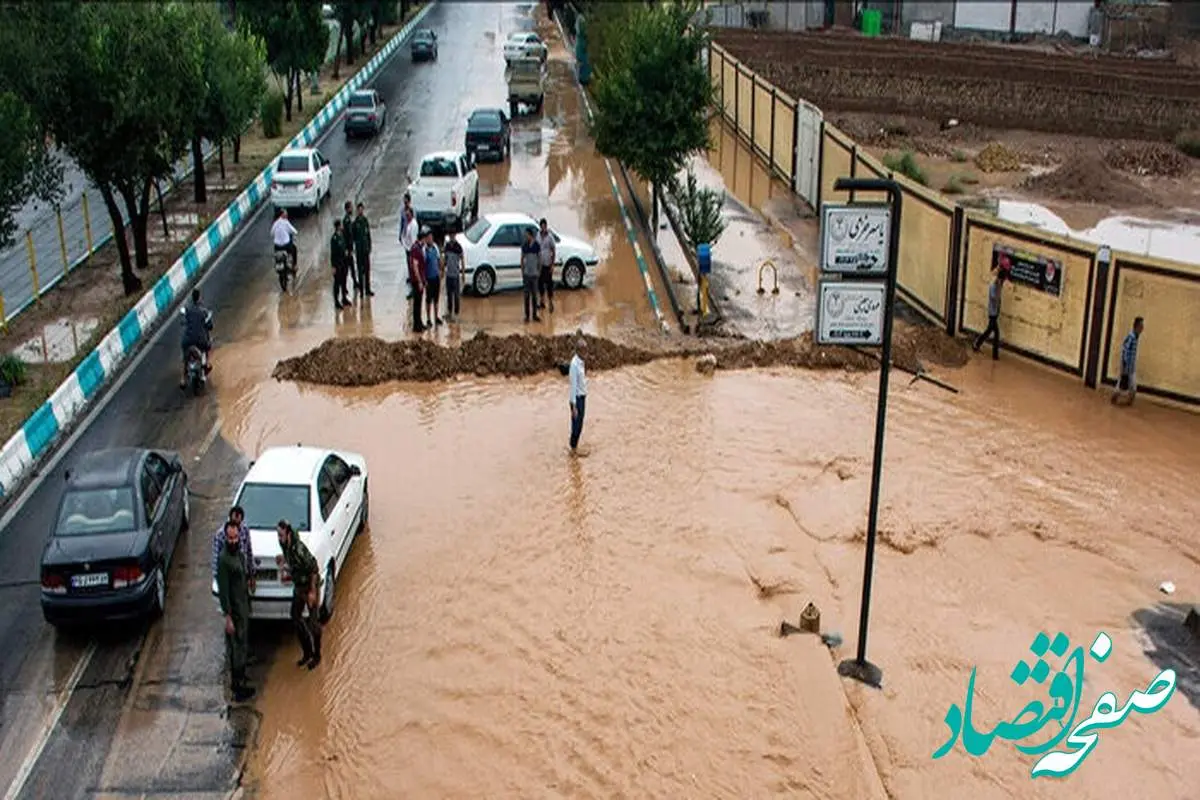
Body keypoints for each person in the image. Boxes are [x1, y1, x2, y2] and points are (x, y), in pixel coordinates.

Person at [216, 520, 256, 702]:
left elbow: (243, 576)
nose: (233, 541)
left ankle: (241, 678)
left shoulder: (238, 554)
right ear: (226, 538)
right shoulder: (224, 560)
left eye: (235, 537)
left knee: (243, 643)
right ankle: (237, 686)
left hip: (243, 606)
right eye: (230, 538)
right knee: (237, 647)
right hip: (235, 611)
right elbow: (223, 591)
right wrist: (228, 617)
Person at [277, 519, 323, 669]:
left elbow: (314, 569)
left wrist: (312, 592)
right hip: (299, 585)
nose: (279, 538)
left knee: (313, 623)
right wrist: (284, 561)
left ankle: (317, 655)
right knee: (295, 616)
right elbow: (292, 561)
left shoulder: (299, 549)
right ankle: (307, 651)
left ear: (289, 534)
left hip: (310, 584)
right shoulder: (285, 545)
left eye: (281, 535)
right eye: (278, 535)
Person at [210, 505, 254, 594]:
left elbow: (249, 552)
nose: (236, 526)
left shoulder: (245, 530)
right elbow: (216, 561)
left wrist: (251, 575)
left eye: (238, 523)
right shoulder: (220, 535)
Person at [179, 289, 213, 389]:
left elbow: (183, 319)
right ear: (199, 298)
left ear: (192, 298)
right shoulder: (204, 311)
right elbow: (210, 326)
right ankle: (205, 364)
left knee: (184, 356)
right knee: (207, 347)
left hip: (188, 340)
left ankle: (183, 378)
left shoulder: (187, 309)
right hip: (201, 340)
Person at [972, 269, 1006, 360]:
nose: (1002, 282)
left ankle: (977, 344)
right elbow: (993, 298)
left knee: (990, 331)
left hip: (995, 312)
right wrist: (997, 286)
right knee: (994, 332)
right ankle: (993, 354)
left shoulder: (999, 286)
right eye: (1001, 280)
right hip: (992, 313)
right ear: (998, 279)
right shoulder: (993, 287)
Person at [1113, 316, 1144, 406]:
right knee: (1125, 383)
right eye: (1141, 326)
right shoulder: (1131, 337)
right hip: (1127, 366)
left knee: (1129, 384)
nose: (1142, 328)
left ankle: (1127, 400)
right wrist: (1125, 365)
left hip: (1131, 366)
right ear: (1137, 326)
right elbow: (1125, 350)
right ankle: (1120, 398)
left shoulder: (1135, 337)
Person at [568, 335, 588, 453]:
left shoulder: (581, 361)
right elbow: (573, 386)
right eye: (584, 350)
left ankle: (574, 447)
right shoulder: (574, 365)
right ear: (578, 351)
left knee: (580, 424)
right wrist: (573, 406)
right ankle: (573, 449)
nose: (586, 352)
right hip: (577, 399)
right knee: (576, 426)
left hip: (582, 397)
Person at [408, 227, 428, 332]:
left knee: (419, 303)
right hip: (417, 281)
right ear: (422, 238)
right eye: (425, 239)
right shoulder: (416, 249)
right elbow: (415, 266)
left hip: (420, 280)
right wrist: (420, 281)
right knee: (417, 303)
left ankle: (419, 322)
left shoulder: (419, 248)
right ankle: (416, 326)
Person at [353, 202, 374, 297]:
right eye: (359, 209)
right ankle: (361, 291)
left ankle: (368, 289)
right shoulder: (355, 223)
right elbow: (353, 237)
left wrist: (369, 246)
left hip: (365, 250)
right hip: (359, 251)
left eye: (362, 209)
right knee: (360, 272)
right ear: (357, 211)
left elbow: (368, 235)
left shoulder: (365, 221)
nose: (360, 211)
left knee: (367, 270)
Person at [521, 228, 542, 323]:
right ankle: (527, 316)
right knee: (526, 296)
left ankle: (534, 315)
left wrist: (539, 271)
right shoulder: (524, 245)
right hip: (526, 274)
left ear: (531, 235)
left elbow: (540, 259)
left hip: (534, 274)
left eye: (527, 235)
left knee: (534, 296)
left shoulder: (537, 245)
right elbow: (522, 258)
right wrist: (522, 271)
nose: (526, 236)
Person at [536, 218, 557, 313]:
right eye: (542, 226)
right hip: (540, 265)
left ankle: (551, 303)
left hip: (548, 264)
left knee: (549, 284)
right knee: (540, 284)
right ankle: (542, 302)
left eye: (545, 226)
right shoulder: (537, 236)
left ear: (546, 227)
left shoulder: (550, 237)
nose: (543, 228)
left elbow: (553, 251)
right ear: (540, 227)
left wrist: (552, 265)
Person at [443, 233, 464, 321]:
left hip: (455, 275)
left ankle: (456, 313)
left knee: (456, 295)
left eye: (453, 236)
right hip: (448, 275)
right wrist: (442, 269)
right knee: (449, 295)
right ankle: (449, 312)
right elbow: (445, 259)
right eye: (450, 236)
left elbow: (462, 259)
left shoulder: (458, 247)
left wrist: (463, 273)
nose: (452, 237)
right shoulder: (447, 246)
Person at [330, 219, 351, 309]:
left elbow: (344, 246)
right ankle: (336, 301)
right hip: (337, 263)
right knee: (337, 283)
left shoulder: (341, 235)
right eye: (341, 225)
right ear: (338, 226)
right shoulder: (334, 238)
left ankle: (344, 298)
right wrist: (333, 266)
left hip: (343, 262)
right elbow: (333, 253)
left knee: (343, 281)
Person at [424, 230, 442, 326]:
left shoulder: (435, 247)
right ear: (426, 239)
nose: (430, 239)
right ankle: (428, 319)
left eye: (431, 237)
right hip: (428, 279)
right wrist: (424, 279)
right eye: (429, 238)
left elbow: (439, 260)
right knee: (428, 300)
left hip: (436, 278)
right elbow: (423, 265)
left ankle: (436, 317)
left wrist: (440, 271)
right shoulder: (424, 250)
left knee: (436, 300)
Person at [341, 201, 357, 294]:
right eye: (351, 208)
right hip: (347, 249)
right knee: (346, 269)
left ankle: (355, 282)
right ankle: (344, 287)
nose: (352, 209)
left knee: (352, 266)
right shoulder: (346, 221)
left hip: (350, 247)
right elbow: (346, 236)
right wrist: (347, 249)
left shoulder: (349, 219)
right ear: (347, 209)